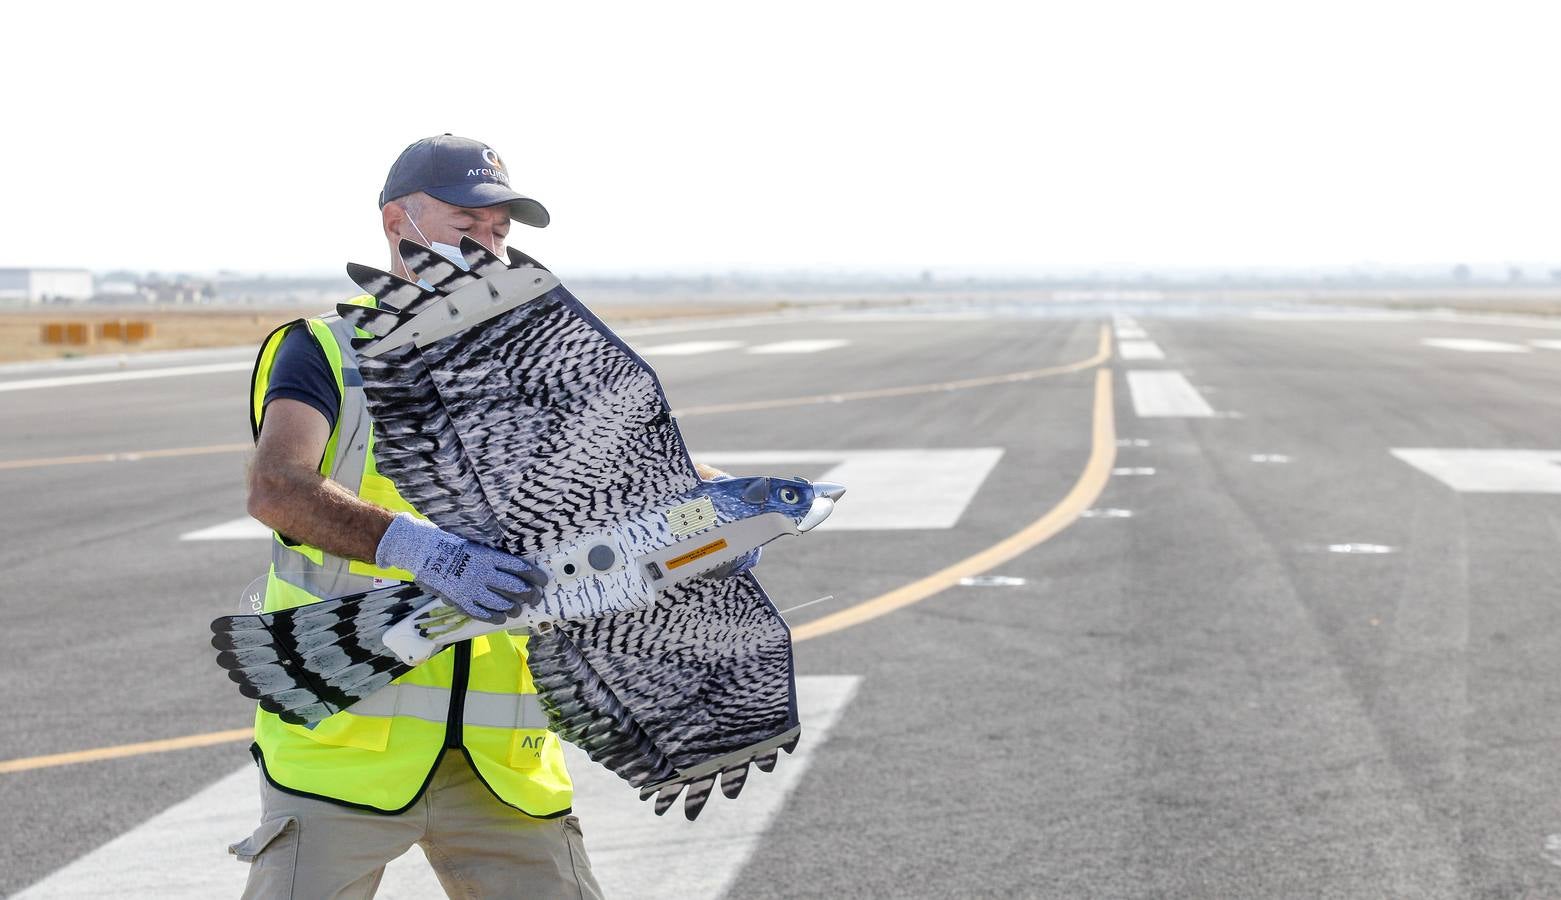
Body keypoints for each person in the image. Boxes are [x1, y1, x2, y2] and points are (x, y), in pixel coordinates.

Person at [231, 134, 749, 899]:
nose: (487, 248)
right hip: (340, 747)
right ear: (395, 223)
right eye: (465, 225)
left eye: (500, 234)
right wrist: (430, 555)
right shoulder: (327, 352)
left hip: (503, 763)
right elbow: (278, 488)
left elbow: (636, 474)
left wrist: (719, 511)